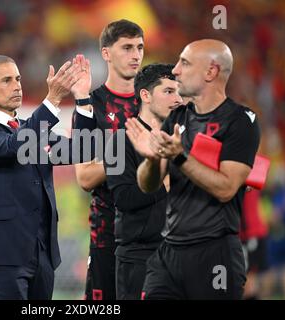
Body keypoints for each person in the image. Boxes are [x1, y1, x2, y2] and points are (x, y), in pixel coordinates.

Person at [126, 39, 261, 299]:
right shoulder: (178, 117)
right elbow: (147, 184)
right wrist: (152, 159)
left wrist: (179, 157)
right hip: (169, 252)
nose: (175, 70)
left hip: (215, 253)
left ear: (211, 72)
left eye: (184, 63)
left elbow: (226, 188)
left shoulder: (241, 121)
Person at [0, 54, 94, 300]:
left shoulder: (31, 127)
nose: (17, 85)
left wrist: (82, 98)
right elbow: (15, 146)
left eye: (18, 79)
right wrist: (53, 99)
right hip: (4, 254)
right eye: (7, 80)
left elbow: (82, 149)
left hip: (43, 252)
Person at [73, 19, 144, 300]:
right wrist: (132, 149)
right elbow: (85, 177)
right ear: (106, 53)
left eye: (139, 47)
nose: (136, 55)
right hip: (107, 236)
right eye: (126, 47)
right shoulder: (89, 107)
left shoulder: (154, 102)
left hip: (153, 235)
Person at [104, 63, 182, 299]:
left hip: (183, 256)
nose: (178, 99)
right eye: (169, 91)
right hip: (140, 258)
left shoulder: (184, 139)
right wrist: (169, 183)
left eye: (179, 92)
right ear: (145, 95)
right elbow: (124, 199)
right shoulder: (118, 142)